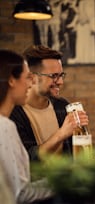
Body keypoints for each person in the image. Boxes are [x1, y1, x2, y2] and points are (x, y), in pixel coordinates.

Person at [10, 45, 88, 162]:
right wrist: (61, 134)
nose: (60, 82)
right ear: (32, 78)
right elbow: (26, 160)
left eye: (61, 75)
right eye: (54, 76)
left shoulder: (63, 106)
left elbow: (75, 157)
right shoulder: (13, 113)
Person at [0, 49, 53, 203]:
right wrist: (63, 181)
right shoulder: (5, 127)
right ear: (11, 80)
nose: (31, 84)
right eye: (27, 77)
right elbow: (21, 193)